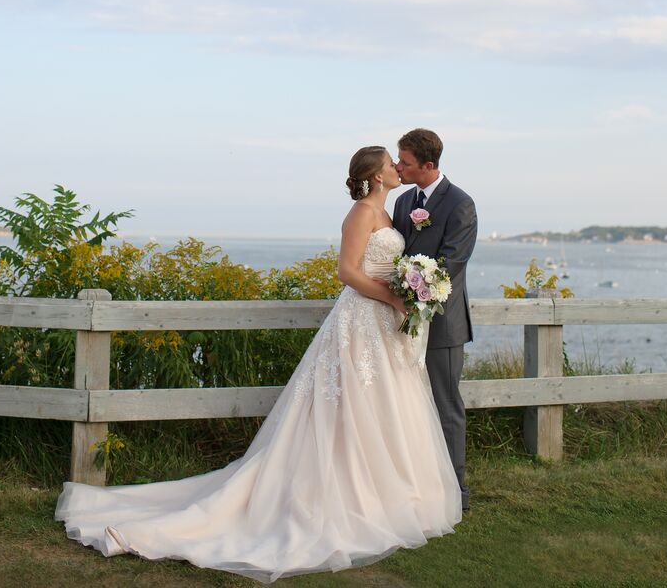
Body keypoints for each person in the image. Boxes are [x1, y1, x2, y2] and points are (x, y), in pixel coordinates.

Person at [56, 145, 462, 581]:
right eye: (390, 164)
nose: (397, 168)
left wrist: (408, 290)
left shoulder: (390, 212)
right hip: (361, 319)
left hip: (383, 325)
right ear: (376, 175)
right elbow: (347, 271)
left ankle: (385, 495)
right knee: (346, 407)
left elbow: (389, 263)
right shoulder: (362, 213)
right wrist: (392, 296)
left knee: (381, 407)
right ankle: (336, 497)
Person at [394, 128, 477, 512]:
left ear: (428, 165)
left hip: (442, 324)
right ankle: (416, 484)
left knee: (445, 406)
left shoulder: (460, 204)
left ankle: (454, 491)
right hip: (400, 323)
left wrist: (414, 292)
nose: (398, 166)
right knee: (405, 405)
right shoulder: (402, 201)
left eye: (405, 162)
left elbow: (450, 266)